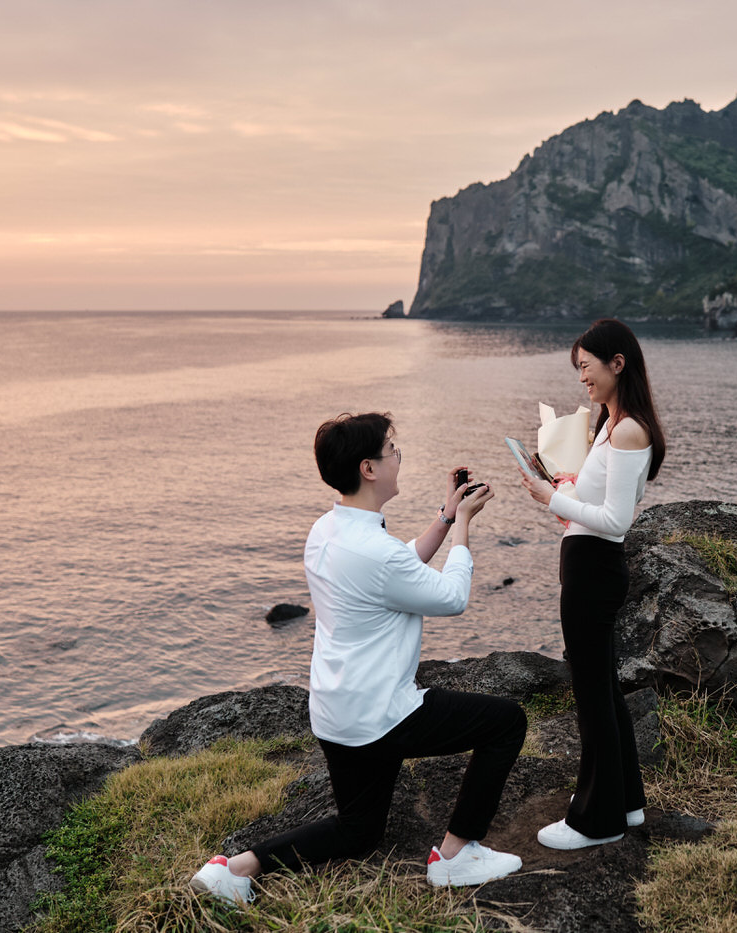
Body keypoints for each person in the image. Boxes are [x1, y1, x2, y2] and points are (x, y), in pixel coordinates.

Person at [192, 412, 527, 903]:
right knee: (506, 722)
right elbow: (450, 597)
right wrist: (463, 530)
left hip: (335, 712)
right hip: (383, 715)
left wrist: (445, 515)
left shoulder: (326, 530)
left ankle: (235, 868)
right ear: (368, 468)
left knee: (359, 832)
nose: (398, 457)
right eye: (393, 451)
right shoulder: (375, 550)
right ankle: (456, 855)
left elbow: (393, 570)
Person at [518, 319, 666, 850]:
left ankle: (594, 820)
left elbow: (618, 519)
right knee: (601, 687)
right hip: (585, 562)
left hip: (596, 567)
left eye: (586, 367)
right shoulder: (610, 422)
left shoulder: (629, 430)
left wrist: (549, 499)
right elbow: (603, 497)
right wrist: (564, 483)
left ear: (616, 363)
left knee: (592, 693)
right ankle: (625, 805)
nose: (582, 378)